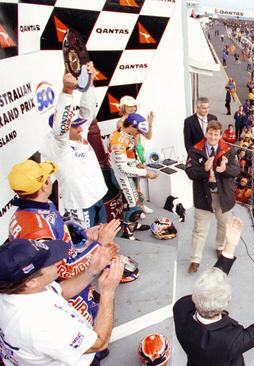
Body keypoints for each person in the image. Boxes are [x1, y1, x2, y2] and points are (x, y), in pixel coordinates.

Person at [7, 159, 122, 325]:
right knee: (91, 335)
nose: (51, 180)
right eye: (47, 177)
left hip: (74, 286)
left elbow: (60, 235)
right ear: (44, 186)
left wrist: (84, 235)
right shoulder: (39, 231)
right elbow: (64, 271)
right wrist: (100, 245)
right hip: (67, 293)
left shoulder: (34, 208)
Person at [173, 218, 254, 366]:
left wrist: (229, 246)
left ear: (194, 297)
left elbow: (211, 284)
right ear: (227, 301)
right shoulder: (231, 341)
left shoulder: (181, 308)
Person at [0, 238, 124, 366]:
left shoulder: (16, 289)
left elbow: (60, 291)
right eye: (49, 262)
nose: (59, 262)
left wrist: (91, 271)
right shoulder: (42, 323)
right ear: (31, 282)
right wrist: (108, 292)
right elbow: (100, 343)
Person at [41, 66, 107, 229]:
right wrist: (67, 91)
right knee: (85, 246)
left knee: (104, 239)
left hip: (97, 197)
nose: (80, 128)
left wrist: (89, 84)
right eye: (74, 126)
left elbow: (88, 112)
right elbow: (61, 128)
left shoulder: (78, 134)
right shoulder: (58, 146)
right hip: (80, 204)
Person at [185, 121, 240, 273]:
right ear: (206, 133)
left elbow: (236, 170)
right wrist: (204, 169)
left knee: (224, 226)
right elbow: (189, 172)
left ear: (221, 134)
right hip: (204, 196)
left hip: (223, 196)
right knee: (199, 230)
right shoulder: (195, 150)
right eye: (210, 133)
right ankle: (195, 260)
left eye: (216, 134)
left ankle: (220, 247)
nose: (213, 137)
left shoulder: (229, 150)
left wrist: (225, 169)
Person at [107, 113, 158, 239]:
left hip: (125, 173)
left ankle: (132, 225)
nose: (138, 133)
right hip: (120, 176)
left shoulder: (124, 134)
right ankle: (126, 232)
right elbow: (123, 168)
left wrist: (137, 163)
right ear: (130, 126)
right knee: (133, 207)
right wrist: (146, 173)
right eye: (137, 130)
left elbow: (126, 160)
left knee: (134, 203)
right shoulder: (117, 140)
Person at [117, 95, 154, 216]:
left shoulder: (138, 120)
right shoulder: (120, 122)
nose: (132, 109)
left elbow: (148, 136)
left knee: (137, 184)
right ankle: (135, 209)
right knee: (130, 185)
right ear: (123, 107)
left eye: (134, 106)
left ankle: (140, 206)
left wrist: (149, 124)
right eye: (129, 107)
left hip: (136, 156)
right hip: (126, 157)